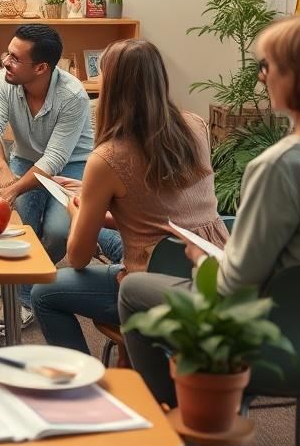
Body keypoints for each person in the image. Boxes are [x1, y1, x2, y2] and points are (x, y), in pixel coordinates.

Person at [119, 13, 300, 406]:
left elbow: (233, 286)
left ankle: (174, 421)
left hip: (274, 342)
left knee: (132, 289)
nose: (261, 78)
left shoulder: (281, 166)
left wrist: (201, 258)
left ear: (295, 76)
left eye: (266, 66)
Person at [30, 40, 229, 352]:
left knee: (43, 293)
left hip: (153, 288)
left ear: (112, 87)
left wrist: (78, 211)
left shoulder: (109, 157)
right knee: (115, 242)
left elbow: (79, 258)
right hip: (214, 276)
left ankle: (84, 387)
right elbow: (159, 210)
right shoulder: (196, 126)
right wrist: (99, 202)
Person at [0, 23, 120, 323]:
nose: (6, 62)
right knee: (22, 229)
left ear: (41, 67)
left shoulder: (73, 95)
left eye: (16, 58)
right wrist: (3, 172)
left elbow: (55, 158)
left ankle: (29, 290)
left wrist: (13, 190)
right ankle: (23, 299)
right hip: (24, 159)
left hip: (72, 164)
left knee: (56, 233)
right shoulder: (4, 82)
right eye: (8, 53)